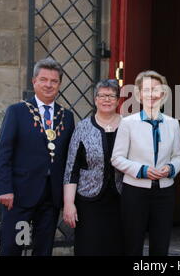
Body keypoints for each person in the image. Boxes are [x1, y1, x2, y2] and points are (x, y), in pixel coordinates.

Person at [0, 58, 75, 256]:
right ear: (34, 81)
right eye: (44, 79)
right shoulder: (17, 111)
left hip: (51, 196)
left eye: (54, 81)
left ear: (59, 84)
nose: (48, 85)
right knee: (13, 247)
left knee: (44, 249)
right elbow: (4, 153)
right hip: (19, 195)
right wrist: (5, 189)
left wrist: (68, 199)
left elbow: (69, 158)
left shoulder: (66, 116)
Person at [111, 70, 180, 256]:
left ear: (163, 94)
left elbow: (178, 156)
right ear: (139, 94)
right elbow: (116, 158)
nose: (152, 94)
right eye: (147, 90)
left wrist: (171, 168)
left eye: (156, 89)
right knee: (132, 244)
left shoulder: (173, 123)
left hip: (164, 192)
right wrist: (142, 170)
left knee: (161, 244)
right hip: (135, 192)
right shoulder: (127, 123)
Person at [63, 79, 124, 256]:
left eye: (111, 96)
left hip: (121, 200)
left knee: (117, 248)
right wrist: (68, 203)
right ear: (95, 99)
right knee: (89, 248)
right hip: (89, 201)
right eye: (102, 95)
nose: (106, 99)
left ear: (118, 100)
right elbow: (71, 169)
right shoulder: (82, 128)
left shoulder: (129, 126)